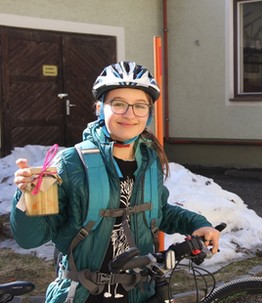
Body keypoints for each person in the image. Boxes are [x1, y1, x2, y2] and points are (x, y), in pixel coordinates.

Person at [10, 61, 221, 303]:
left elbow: (158, 212)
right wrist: (27, 195)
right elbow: (30, 239)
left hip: (140, 292)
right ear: (100, 108)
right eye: (118, 104)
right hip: (84, 295)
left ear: (149, 113)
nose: (130, 114)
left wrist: (198, 224)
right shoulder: (71, 163)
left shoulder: (149, 160)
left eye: (140, 106)